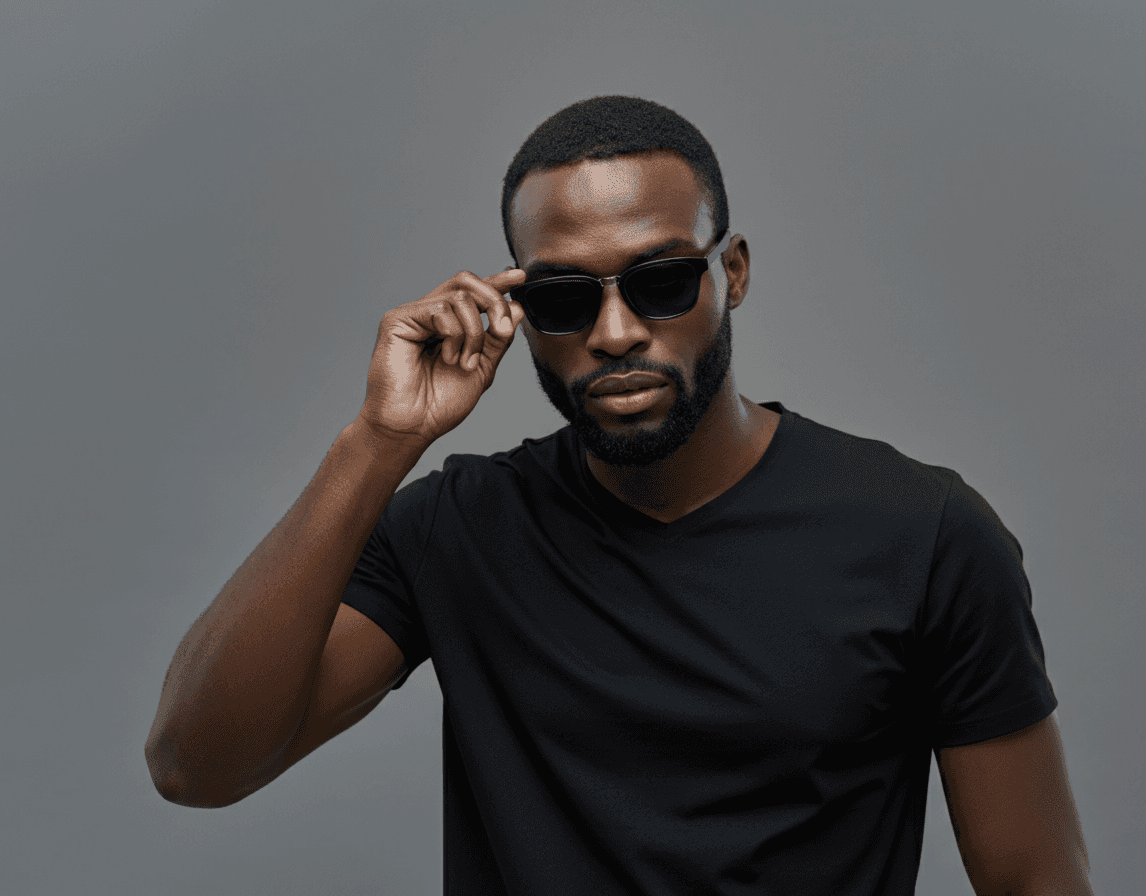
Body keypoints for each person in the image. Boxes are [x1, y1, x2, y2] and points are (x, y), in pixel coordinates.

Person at [146, 95, 1093, 895]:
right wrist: (378, 443)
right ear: (515, 310)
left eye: (661, 281)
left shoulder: (924, 535)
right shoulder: (458, 527)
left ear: (734, 273)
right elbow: (197, 765)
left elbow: (1035, 883)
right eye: (564, 297)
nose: (615, 331)